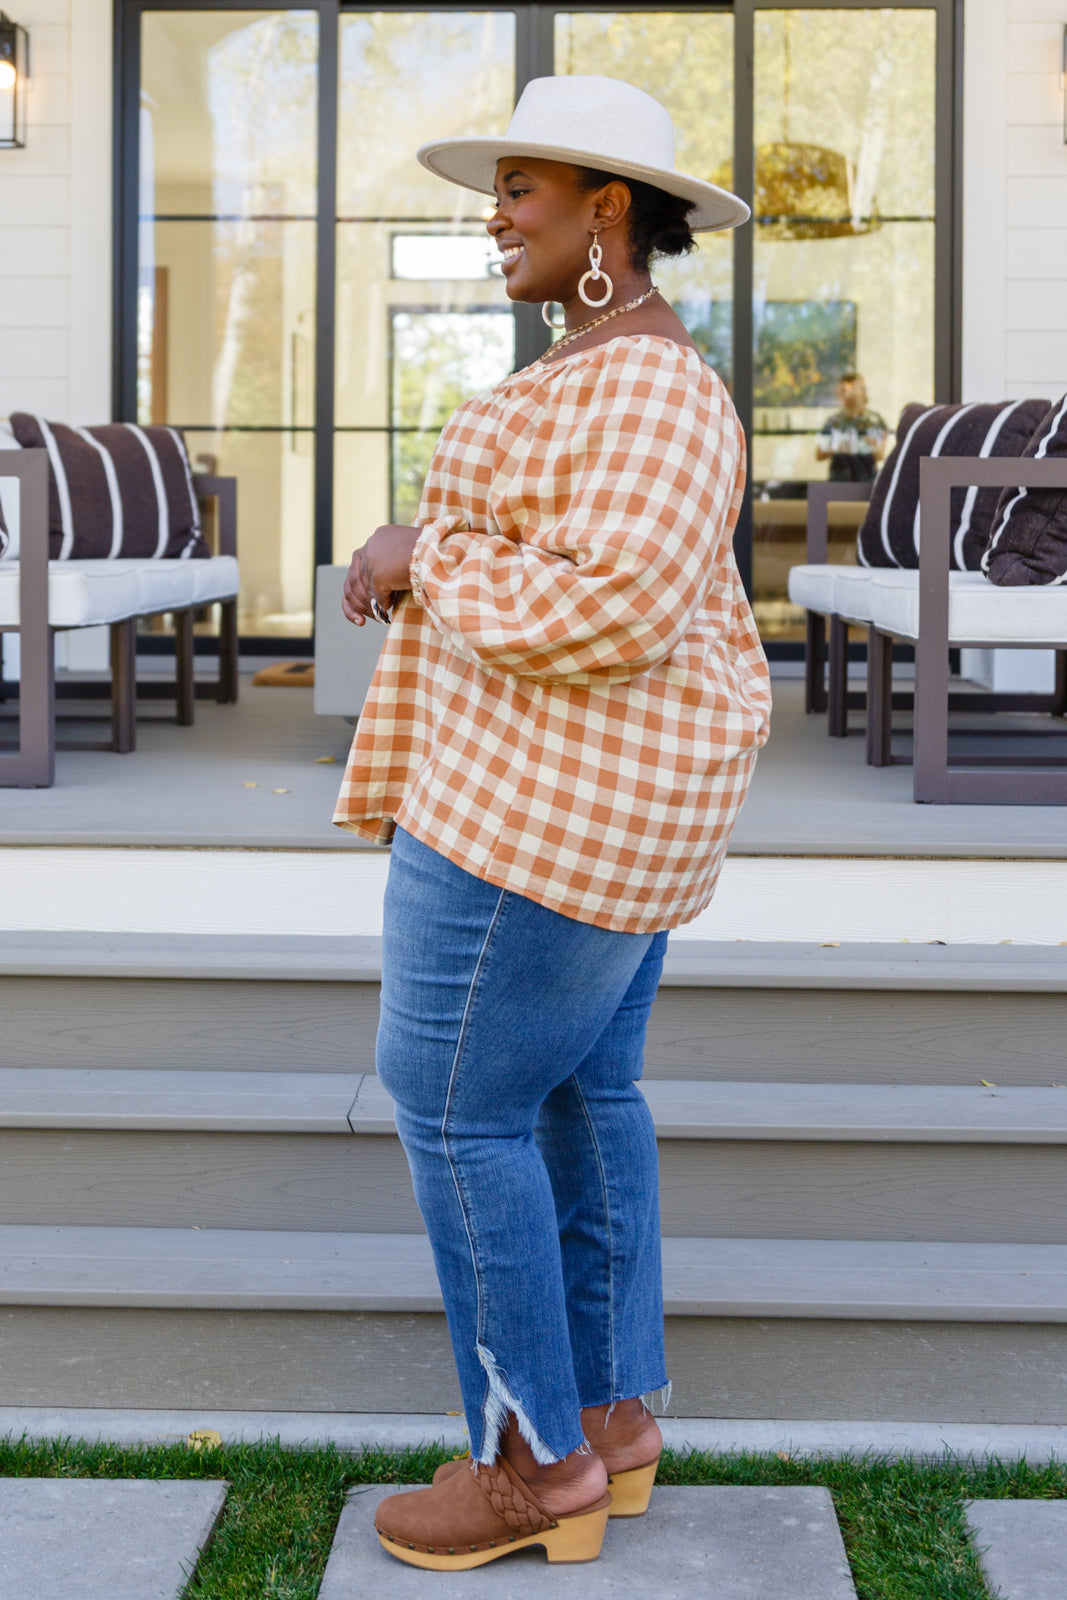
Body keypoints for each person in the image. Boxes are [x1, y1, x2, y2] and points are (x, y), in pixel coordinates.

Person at [334, 74, 771, 1573]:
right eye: (497, 187)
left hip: (537, 823)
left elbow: (614, 605)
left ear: (607, 209)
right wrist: (433, 560)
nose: (494, 214)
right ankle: (613, 1426)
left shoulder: (649, 383)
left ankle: (529, 1466)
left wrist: (419, 557)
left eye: (521, 188)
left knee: (458, 1110)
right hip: (566, 806)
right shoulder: (600, 366)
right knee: (585, 1105)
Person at [814, 372, 887, 482]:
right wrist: (837, 447)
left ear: (863, 391)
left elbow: (880, 455)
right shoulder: (833, 421)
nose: (849, 393)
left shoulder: (874, 420)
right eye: (843, 390)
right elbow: (819, 454)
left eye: (854, 388)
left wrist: (870, 445)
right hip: (838, 480)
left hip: (866, 481)